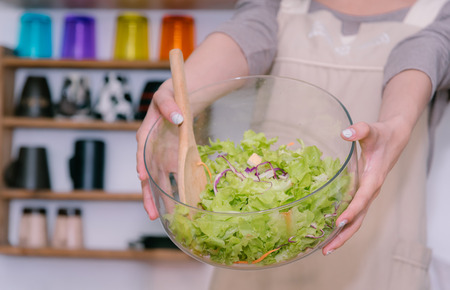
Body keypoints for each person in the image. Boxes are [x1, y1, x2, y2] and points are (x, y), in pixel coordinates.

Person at [136, 0, 450, 289]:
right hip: (256, 251)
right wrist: (182, 98)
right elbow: (250, 30)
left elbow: (426, 51)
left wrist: (396, 123)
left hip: (377, 252)